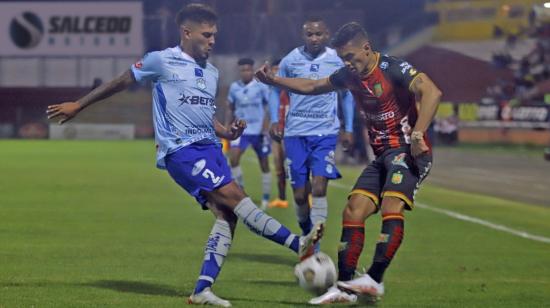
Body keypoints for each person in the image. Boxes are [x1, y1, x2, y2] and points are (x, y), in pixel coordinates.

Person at [46, 4, 323, 307]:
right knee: (235, 196)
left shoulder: (212, 71)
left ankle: (202, 290)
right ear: (187, 32)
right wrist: (79, 104)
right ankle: (298, 245)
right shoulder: (161, 61)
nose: (213, 40)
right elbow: (121, 81)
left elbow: (205, 114)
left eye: (215, 35)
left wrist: (227, 132)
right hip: (181, 151)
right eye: (207, 34)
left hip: (210, 148)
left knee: (227, 215)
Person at [256, 21, 441, 304]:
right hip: (382, 156)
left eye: (351, 57)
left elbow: (432, 92)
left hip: (408, 152)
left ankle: (374, 280)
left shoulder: (393, 68)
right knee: (353, 210)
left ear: (366, 49)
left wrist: (418, 133)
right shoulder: (349, 75)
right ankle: (344, 287)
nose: (347, 63)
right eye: (343, 58)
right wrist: (275, 80)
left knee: (392, 205)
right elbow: (314, 85)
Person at [269, 17, 355, 243]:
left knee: (318, 188)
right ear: (303, 35)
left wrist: (348, 127)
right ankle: (306, 231)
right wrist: (275, 119)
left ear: (327, 35)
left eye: (318, 34)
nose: (314, 38)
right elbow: (275, 89)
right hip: (295, 133)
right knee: (299, 196)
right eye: (310, 34)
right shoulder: (291, 60)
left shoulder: (336, 60)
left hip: (325, 132)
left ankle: (314, 244)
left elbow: (346, 95)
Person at [226, 58, 272, 209]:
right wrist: (227, 127)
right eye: (242, 70)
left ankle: (265, 198)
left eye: (248, 69)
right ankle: (241, 193)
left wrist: (266, 127)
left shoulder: (260, 87)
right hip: (241, 131)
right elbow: (230, 108)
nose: (245, 72)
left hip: (258, 130)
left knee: (264, 163)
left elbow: (268, 106)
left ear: (252, 70)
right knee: (233, 159)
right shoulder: (234, 87)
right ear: (239, 71)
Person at [267, 58, 290, 209]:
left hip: (291, 132)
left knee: (295, 166)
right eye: (274, 69)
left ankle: (307, 197)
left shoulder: (291, 88)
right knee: (278, 165)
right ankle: (282, 198)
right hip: (276, 133)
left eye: (279, 69)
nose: (276, 72)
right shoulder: (272, 90)